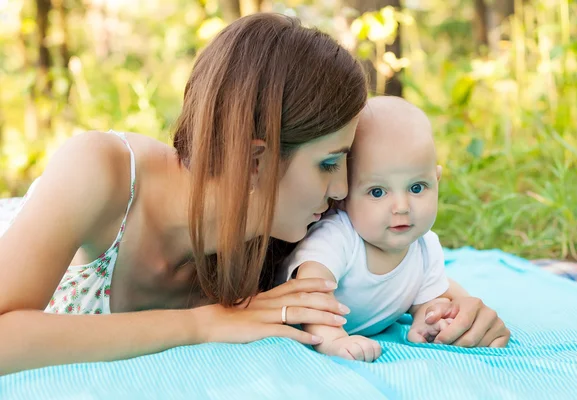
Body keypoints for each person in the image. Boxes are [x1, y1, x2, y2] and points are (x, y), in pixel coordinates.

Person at [0, 13, 507, 376]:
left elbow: (384, 255)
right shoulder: (101, 171)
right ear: (257, 159)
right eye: (330, 164)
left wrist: (456, 306)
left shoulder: (271, 233)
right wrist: (198, 325)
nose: (340, 191)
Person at [281, 96, 510, 362]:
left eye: (416, 188)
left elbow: (426, 299)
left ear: (436, 181)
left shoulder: (425, 245)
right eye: (377, 192)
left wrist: (430, 320)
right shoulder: (337, 237)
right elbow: (309, 293)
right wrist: (334, 340)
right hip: (305, 327)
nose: (401, 207)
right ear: (343, 197)